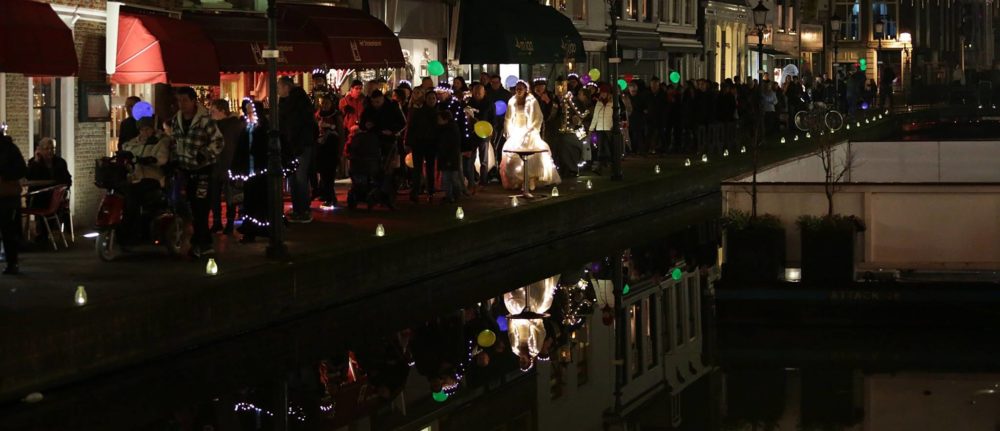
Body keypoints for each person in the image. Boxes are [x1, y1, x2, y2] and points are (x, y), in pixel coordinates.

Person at [170, 86, 224, 258]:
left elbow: (218, 141)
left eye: (185, 100)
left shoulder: (204, 121)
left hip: (203, 171)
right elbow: (175, 141)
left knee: (201, 206)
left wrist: (204, 155)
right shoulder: (176, 120)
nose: (181, 104)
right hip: (185, 169)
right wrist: (175, 159)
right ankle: (202, 241)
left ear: (194, 101)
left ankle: (201, 243)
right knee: (190, 206)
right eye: (179, 100)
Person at [499, 81, 561, 190]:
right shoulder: (512, 101)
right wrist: (508, 129)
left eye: (521, 89)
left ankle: (531, 179)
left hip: (529, 131)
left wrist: (532, 129)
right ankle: (519, 180)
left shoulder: (532, 101)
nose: (518, 91)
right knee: (513, 157)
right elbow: (508, 117)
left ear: (525, 90)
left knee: (534, 156)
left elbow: (538, 117)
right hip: (516, 131)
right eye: (517, 89)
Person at [120, 117, 171, 244]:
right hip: (136, 178)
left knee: (133, 196)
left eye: (147, 129)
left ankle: (134, 231)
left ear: (153, 129)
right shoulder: (133, 143)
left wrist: (151, 160)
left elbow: (162, 158)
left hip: (153, 179)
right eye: (142, 129)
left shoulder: (161, 141)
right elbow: (126, 153)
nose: (145, 132)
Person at [278, 76, 319, 224]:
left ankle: (303, 209)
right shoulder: (286, 102)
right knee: (293, 177)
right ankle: (298, 208)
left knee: (300, 177)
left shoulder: (298, 102)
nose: (278, 91)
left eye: (279, 87)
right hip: (292, 145)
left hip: (300, 144)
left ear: (287, 87)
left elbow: (299, 124)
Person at [230, 100, 271, 243]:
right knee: (250, 202)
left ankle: (264, 229)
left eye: (251, 112)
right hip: (250, 173)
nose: (249, 115)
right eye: (247, 113)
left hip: (262, 172)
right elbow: (240, 151)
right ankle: (250, 230)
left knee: (262, 202)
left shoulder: (264, 129)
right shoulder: (247, 129)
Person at [504, 276, 558, 371]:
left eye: (521, 362)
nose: (522, 360)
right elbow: (541, 332)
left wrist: (511, 321)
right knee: (536, 299)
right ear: (529, 361)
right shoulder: (535, 349)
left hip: (518, 318)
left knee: (515, 303)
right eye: (524, 362)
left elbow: (511, 333)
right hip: (531, 319)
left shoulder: (515, 349)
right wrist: (532, 323)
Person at [208, 99, 245, 235]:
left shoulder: (234, 125)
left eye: (213, 111)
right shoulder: (214, 125)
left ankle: (229, 222)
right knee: (215, 195)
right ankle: (218, 222)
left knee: (230, 195)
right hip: (216, 164)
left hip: (229, 164)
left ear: (222, 111)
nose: (211, 113)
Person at [0, 133, 27, 275]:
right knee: (7, 231)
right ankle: (11, 262)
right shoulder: (10, 148)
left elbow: (21, 169)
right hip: (8, 196)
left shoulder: (9, 148)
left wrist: (4, 174)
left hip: (6, 197)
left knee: (7, 231)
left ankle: (12, 263)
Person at [406, 91, 439, 203]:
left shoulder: (438, 113)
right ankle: (416, 191)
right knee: (417, 169)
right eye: (429, 98)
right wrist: (409, 142)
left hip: (431, 144)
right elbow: (411, 127)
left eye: (433, 98)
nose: (431, 100)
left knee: (430, 169)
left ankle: (430, 191)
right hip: (419, 143)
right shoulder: (419, 112)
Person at [316, 95, 344, 209]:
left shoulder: (336, 115)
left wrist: (340, 150)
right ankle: (325, 194)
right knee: (323, 172)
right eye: (322, 103)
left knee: (329, 173)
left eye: (327, 103)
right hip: (321, 146)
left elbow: (341, 132)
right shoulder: (318, 115)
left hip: (332, 146)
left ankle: (330, 197)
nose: (324, 106)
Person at [466, 82, 496, 186]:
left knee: (484, 159)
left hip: (484, 133)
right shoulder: (469, 103)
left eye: (480, 92)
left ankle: (483, 180)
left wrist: (491, 131)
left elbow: (493, 119)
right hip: (472, 134)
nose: (477, 94)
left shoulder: (489, 103)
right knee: (471, 158)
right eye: (475, 92)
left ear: (484, 92)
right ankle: (471, 180)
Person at [436, 110, 462, 203]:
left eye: (439, 119)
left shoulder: (450, 129)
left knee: (451, 178)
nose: (438, 120)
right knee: (448, 178)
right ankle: (450, 196)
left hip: (450, 157)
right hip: (447, 157)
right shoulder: (444, 129)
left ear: (445, 119)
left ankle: (455, 195)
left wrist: (449, 158)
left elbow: (452, 145)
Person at [589, 83, 615, 175]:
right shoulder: (599, 103)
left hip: (609, 128)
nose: (602, 94)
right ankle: (599, 167)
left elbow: (615, 116)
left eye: (604, 93)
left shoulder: (613, 103)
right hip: (600, 128)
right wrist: (591, 129)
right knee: (600, 148)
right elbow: (595, 117)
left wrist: (613, 126)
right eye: (601, 93)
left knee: (609, 147)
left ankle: (612, 166)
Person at [339, 80, 366, 151]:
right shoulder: (345, 100)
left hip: (360, 129)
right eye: (356, 88)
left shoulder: (364, 100)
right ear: (351, 89)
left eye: (360, 88)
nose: (359, 91)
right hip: (348, 130)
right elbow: (342, 112)